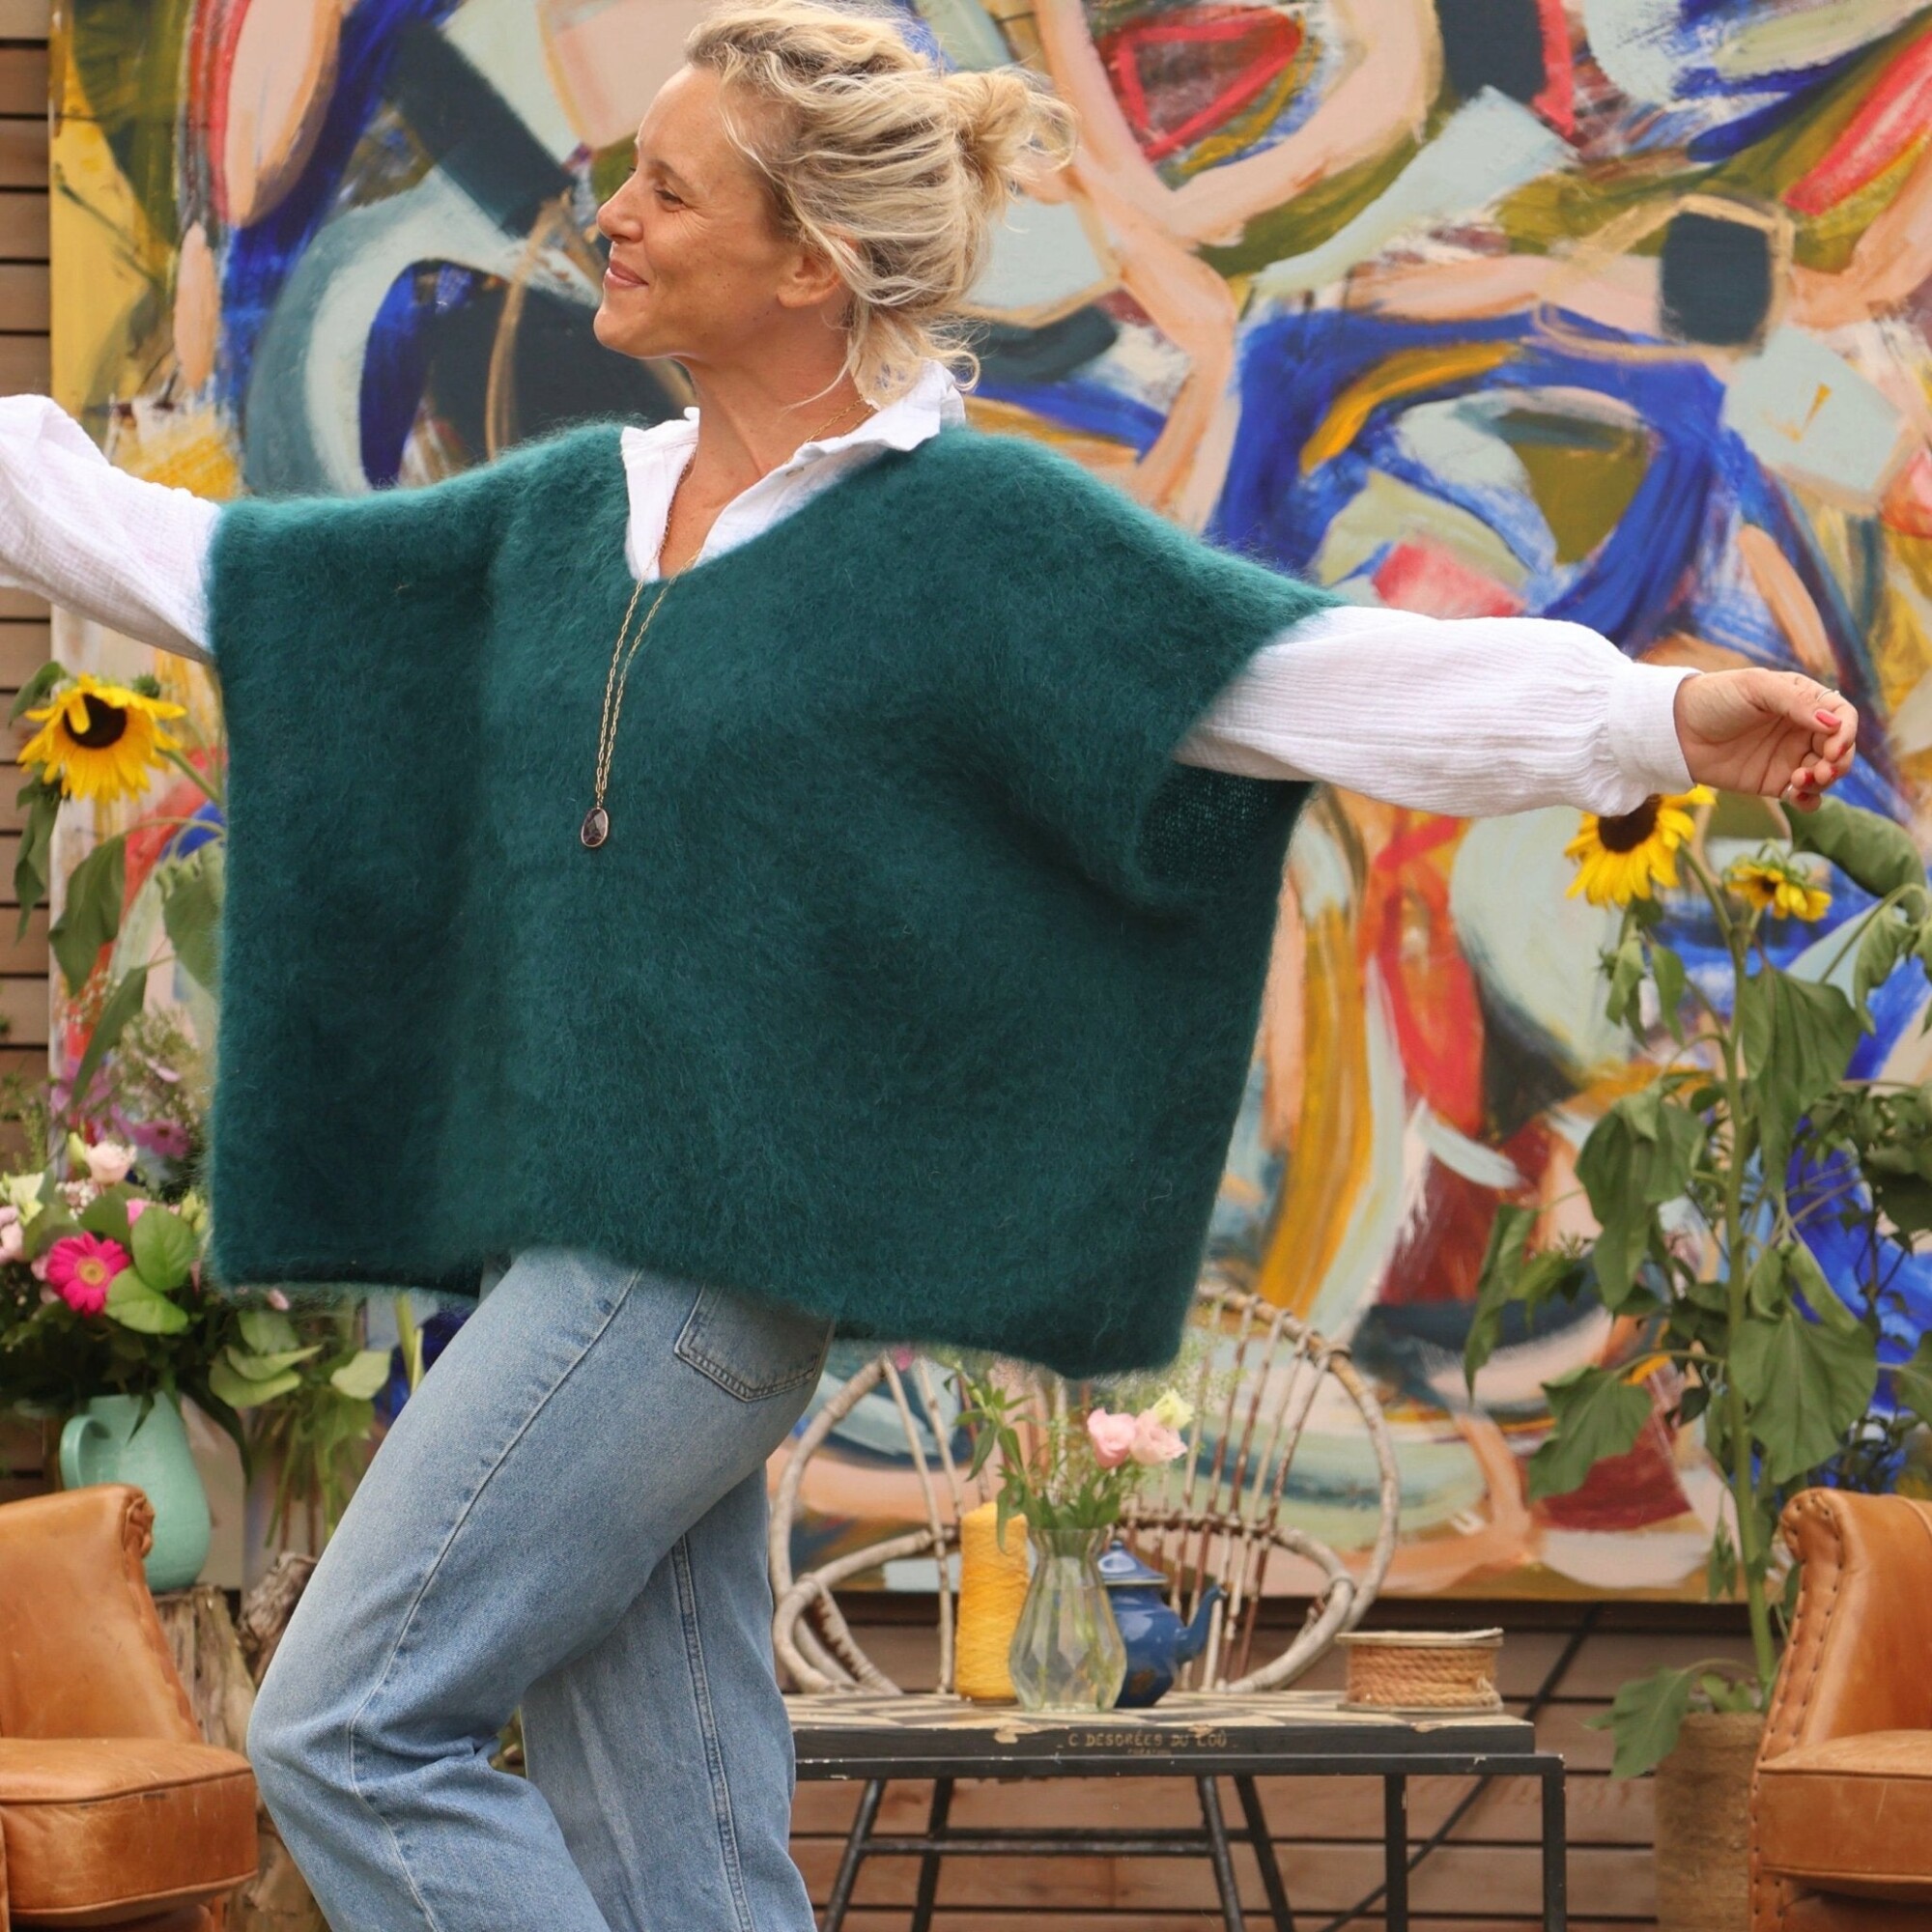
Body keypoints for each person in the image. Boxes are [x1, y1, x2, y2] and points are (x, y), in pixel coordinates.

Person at [0, 4, 1857, 1927]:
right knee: (684, 1862)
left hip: (681, 1281)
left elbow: (1304, 673)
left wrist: (1654, 716)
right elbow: (235, 580)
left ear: (808, 264)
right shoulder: (569, 517)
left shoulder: (968, 538)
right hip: (583, 1261)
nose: (610, 213)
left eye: (669, 190)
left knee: (347, 1724)